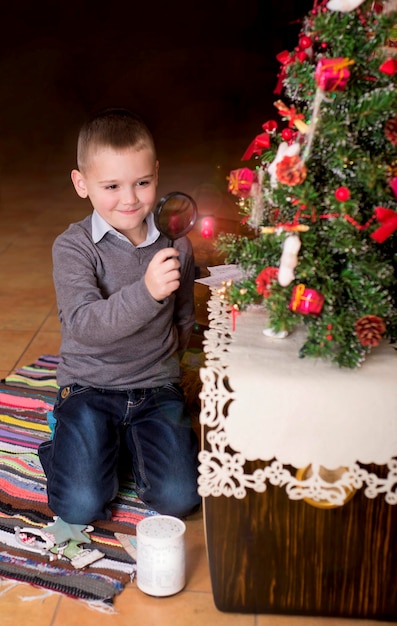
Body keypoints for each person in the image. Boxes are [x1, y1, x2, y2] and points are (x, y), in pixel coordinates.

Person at [38, 108, 201, 525]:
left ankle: (127, 441)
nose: (129, 199)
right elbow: (84, 326)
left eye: (142, 183)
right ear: (82, 184)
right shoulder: (73, 248)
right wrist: (146, 292)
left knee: (181, 498)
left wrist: (167, 367)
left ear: (157, 175)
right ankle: (62, 445)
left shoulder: (175, 245)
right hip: (90, 386)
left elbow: (182, 318)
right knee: (79, 506)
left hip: (155, 388)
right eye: (111, 186)